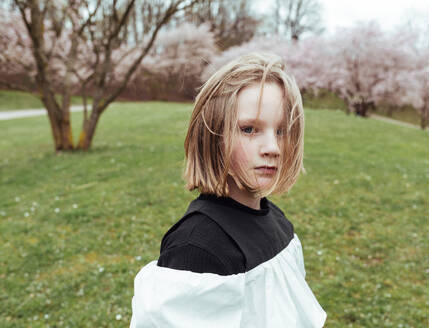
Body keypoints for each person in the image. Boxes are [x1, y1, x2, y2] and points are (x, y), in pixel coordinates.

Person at [130, 52, 327, 327]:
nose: (273, 147)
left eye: (281, 131)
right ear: (213, 135)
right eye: (249, 129)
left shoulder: (276, 219)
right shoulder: (198, 248)